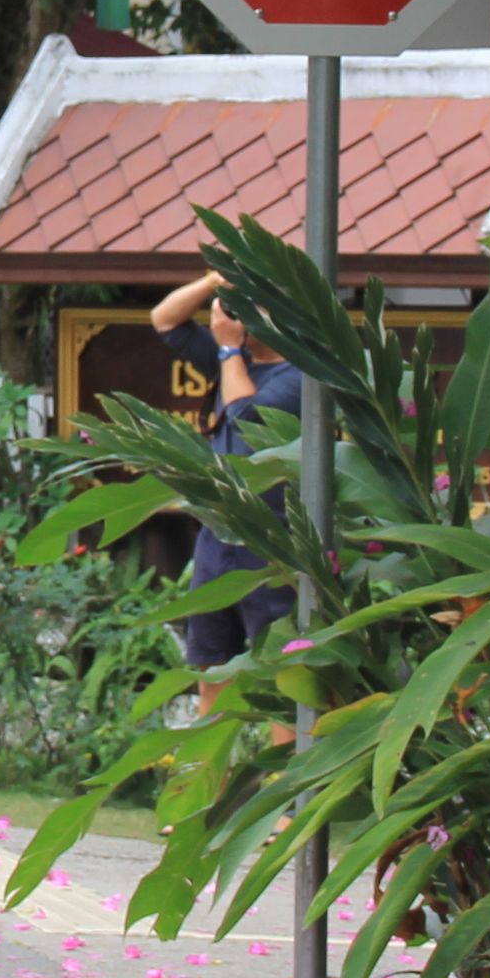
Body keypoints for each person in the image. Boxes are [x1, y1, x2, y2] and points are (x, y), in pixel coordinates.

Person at [149, 269, 304, 703]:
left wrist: (230, 348)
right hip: (218, 538)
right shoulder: (233, 362)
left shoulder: (302, 377)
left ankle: (283, 772)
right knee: (211, 662)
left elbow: (247, 417)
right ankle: (208, 768)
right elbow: (165, 320)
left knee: (280, 666)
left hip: (272, 543)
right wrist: (213, 282)